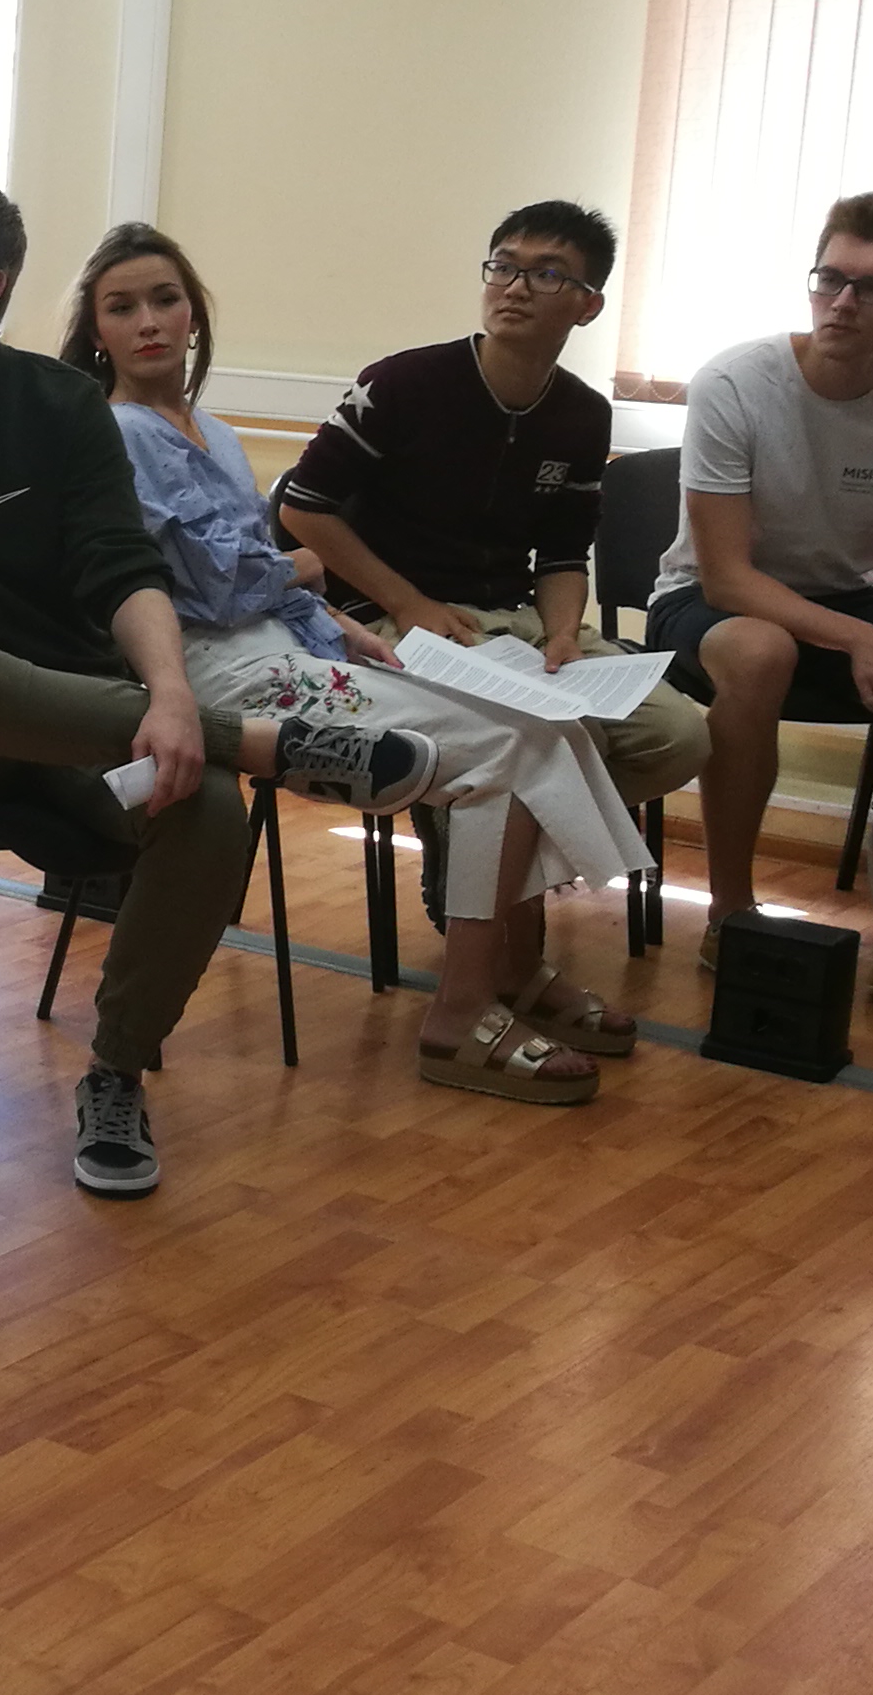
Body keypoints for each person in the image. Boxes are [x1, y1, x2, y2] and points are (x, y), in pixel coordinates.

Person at [0, 181, 437, 1197]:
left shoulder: (59, 406)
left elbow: (123, 570)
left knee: (203, 805)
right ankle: (260, 740)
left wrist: (170, 696)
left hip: (65, 726)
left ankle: (115, 1073)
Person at [66, 225, 649, 1105]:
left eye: (164, 300)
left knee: (540, 723)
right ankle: (463, 1010)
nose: (148, 321)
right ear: (96, 331)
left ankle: (511, 973)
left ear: (194, 316)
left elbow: (253, 574)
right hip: (211, 673)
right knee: (504, 750)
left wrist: (338, 621)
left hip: (288, 642)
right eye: (122, 308)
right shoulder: (116, 433)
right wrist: (303, 568)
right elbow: (218, 585)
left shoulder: (213, 433)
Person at [642, 191, 873, 1008]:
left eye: (871, 287)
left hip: (846, 599)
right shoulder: (735, 381)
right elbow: (726, 577)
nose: (842, 302)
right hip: (707, 603)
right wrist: (857, 639)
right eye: (830, 279)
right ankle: (731, 912)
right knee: (760, 648)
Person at [273, 200, 712, 882]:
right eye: (504, 267)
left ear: (588, 306)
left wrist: (563, 635)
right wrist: (411, 603)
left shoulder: (582, 414)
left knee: (678, 738)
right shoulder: (404, 382)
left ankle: (481, 835)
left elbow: (563, 552)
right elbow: (303, 510)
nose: (515, 287)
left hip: (515, 621)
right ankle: (483, 867)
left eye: (546, 274)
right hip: (394, 619)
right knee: (557, 737)